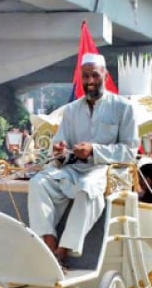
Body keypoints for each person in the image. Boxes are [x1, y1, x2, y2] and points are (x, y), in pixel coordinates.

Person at [28, 53, 138, 266]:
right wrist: (59, 151)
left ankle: (64, 249)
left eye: (94, 76)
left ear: (105, 75)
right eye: (85, 76)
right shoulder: (71, 110)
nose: (89, 82)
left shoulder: (123, 108)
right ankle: (48, 244)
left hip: (106, 170)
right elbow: (60, 149)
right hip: (73, 169)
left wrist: (94, 150)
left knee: (87, 188)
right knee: (38, 183)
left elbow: (130, 151)